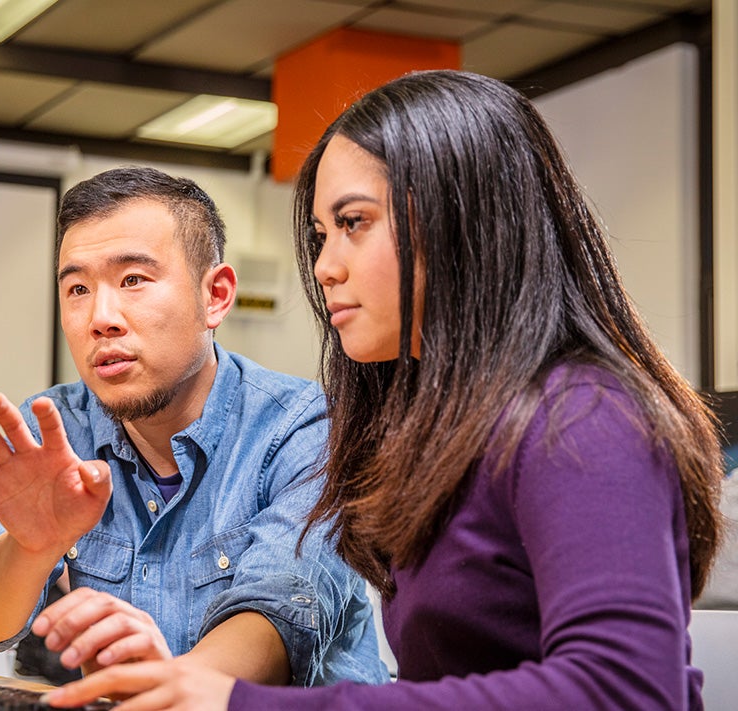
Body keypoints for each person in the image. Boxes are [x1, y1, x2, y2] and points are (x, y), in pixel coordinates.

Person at [42, 69, 725, 710]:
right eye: (319, 234)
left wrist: (236, 699)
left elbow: (627, 688)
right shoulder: (445, 431)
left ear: (460, 219)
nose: (325, 266)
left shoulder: (581, 417)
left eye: (354, 223)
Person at [0, 167, 387, 688]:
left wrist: (166, 684)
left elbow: (280, 618)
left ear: (215, 296)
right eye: (77, 288)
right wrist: (26, 551)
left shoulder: (304, 426)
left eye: (133, 281)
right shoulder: (58, 430)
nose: (101, 317)